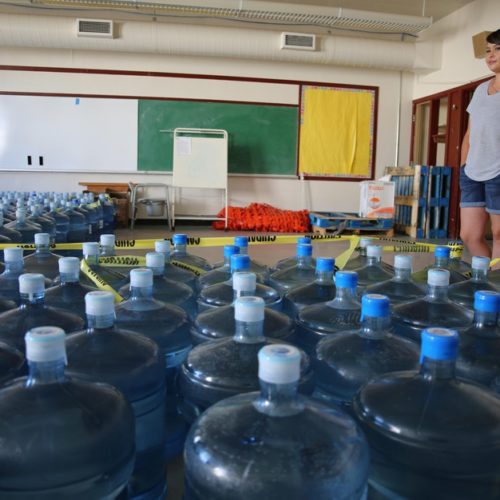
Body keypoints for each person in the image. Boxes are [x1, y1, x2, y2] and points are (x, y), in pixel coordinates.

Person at [460, 29, 500, 262]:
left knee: (498, 234)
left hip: (498, 171)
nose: (490, 55)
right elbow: (470, 132)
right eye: (488, 50)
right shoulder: (480, 90)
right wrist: (464, 164)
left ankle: (495, 291)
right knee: (469, 235)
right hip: (473, 171)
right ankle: (487, 281)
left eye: (497, 49)